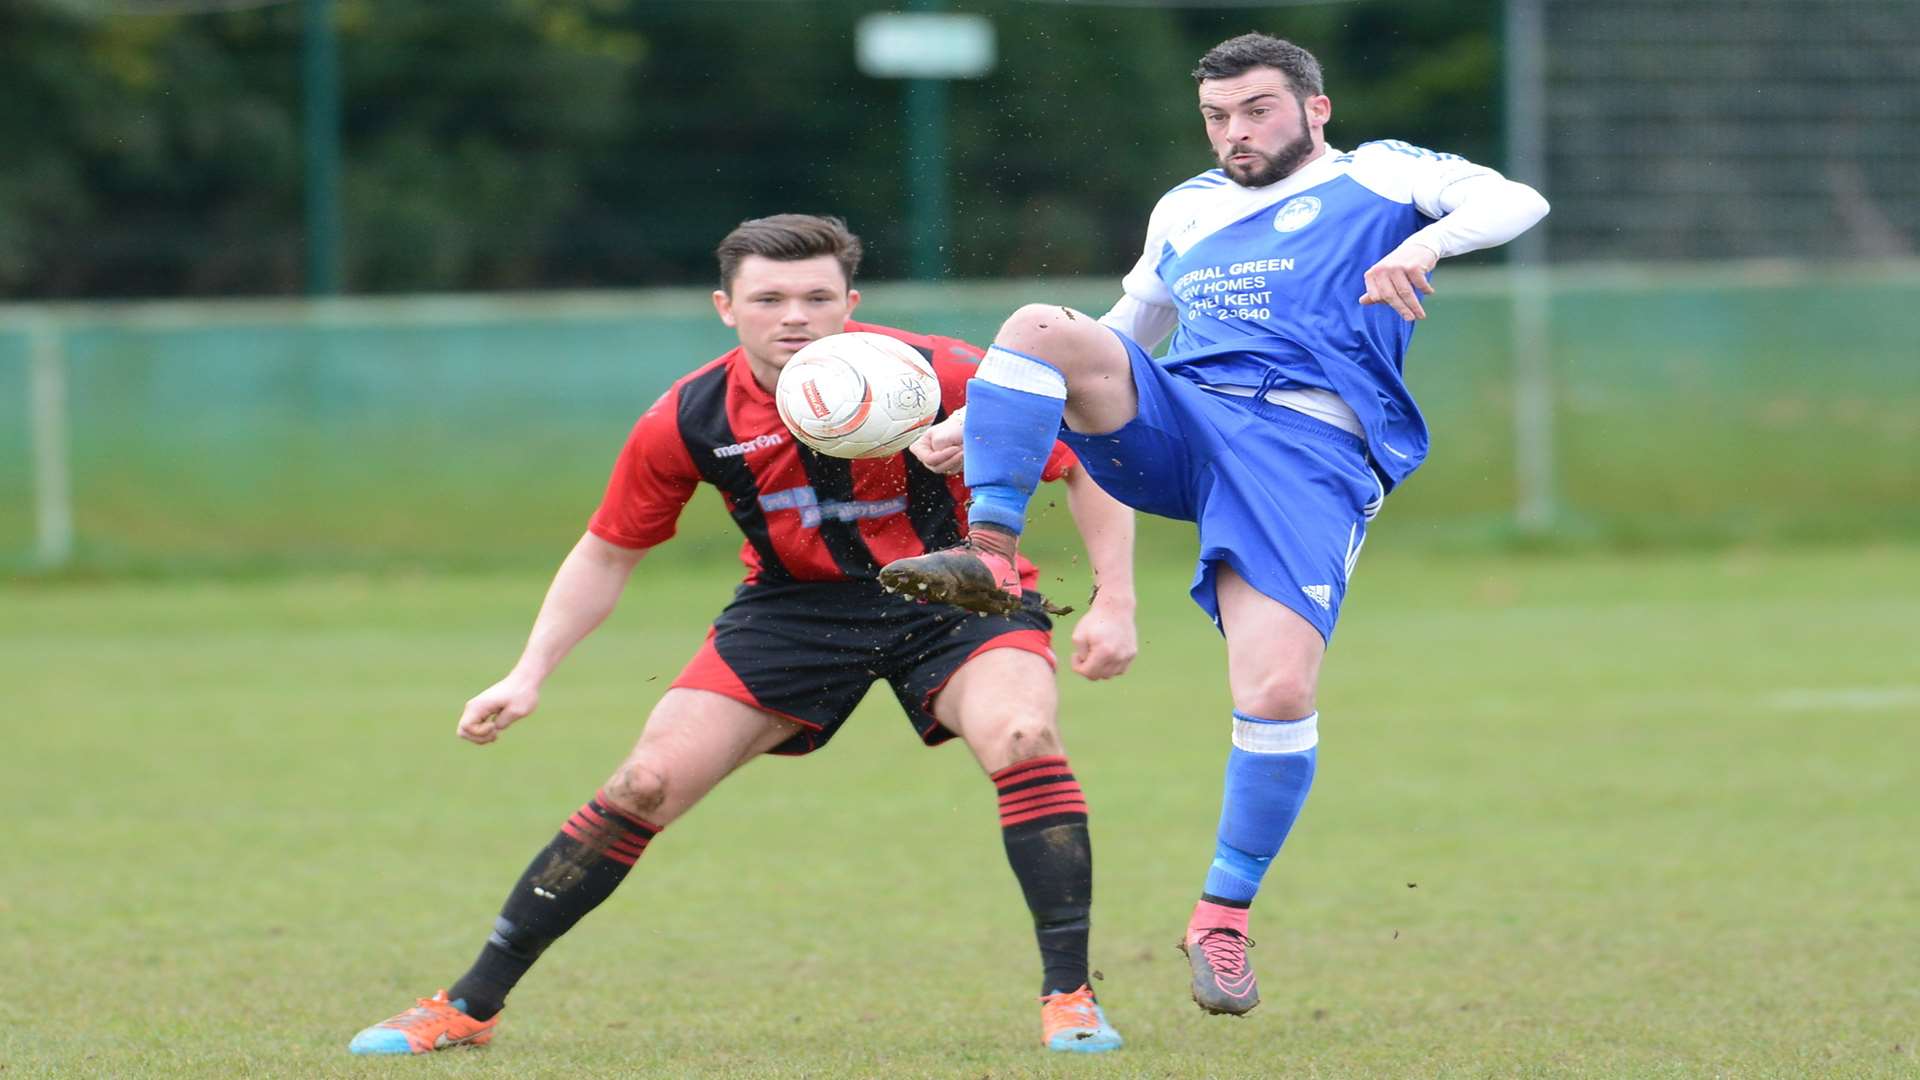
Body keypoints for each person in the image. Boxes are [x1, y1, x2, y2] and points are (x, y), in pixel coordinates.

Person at [347, 215, 1139, 1055]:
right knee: (645, 782)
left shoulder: (940, 372)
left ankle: (1071, 998)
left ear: (851, 302)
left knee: (1023, 734)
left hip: (956, 593)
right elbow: (608, 552)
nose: (793, 315)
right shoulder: (692, 414)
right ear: (727, 307)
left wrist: (1113, 599)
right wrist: (527, 672)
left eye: (816, 297)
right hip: (794, 611)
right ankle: (469, 1006)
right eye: (769, 298)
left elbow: (1085, 461)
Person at [879, 34, 1549, 1016]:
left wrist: (1425, 239)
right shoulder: (1186, 208)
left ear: (1315, 109)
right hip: (1185, 420)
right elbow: (1123, 335)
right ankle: (988, 550)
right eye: (1219, 117)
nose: (1236, 132)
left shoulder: (1384, 174)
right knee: (1034, 326)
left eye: (1258, 111)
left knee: (1276, 692)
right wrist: (982, 417)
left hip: (1308, 454)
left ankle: (1222, 917)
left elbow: (1515, 201)